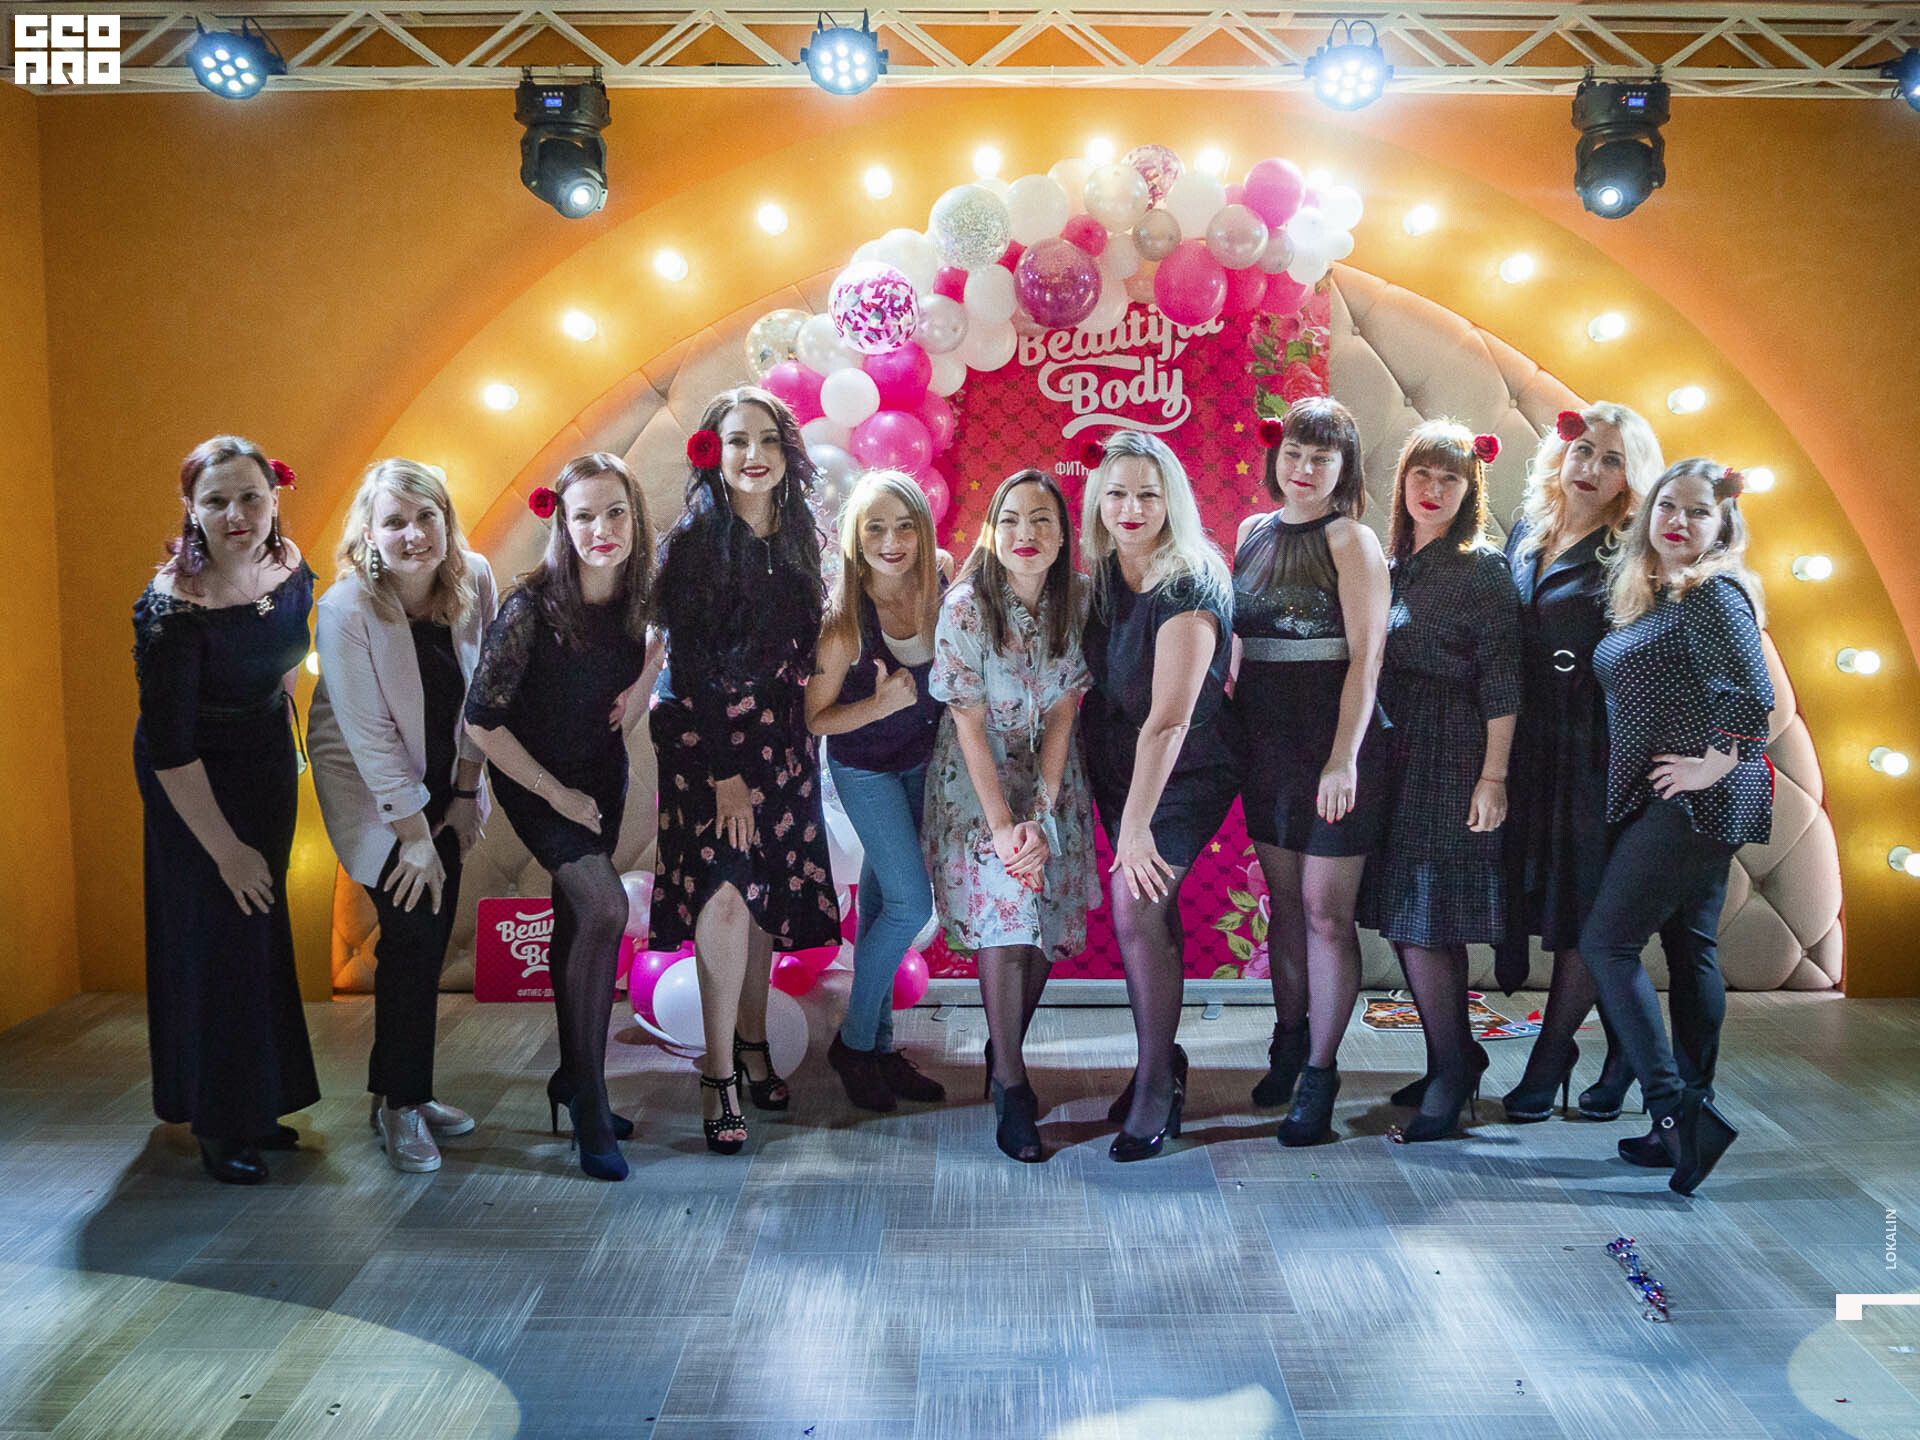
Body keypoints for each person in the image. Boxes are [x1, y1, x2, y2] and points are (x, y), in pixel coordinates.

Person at [649, 389, 842, 1154]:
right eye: (737, 441)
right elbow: (689, 666)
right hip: (709, 747)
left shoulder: (797, 537)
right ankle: (718, 1072)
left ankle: (754, 1040)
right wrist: (726, 773)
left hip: (782, 742)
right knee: (726, 896)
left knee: (765, 900)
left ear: (786, 452)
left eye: (767, 439)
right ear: (713, 452)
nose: (753, 454)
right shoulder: (695, 542)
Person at [132, 435, 318, 1184]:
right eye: (216, 501)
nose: (236, 514)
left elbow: (284, 662)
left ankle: (259, 1102)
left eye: (250, 497)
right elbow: (170, 749)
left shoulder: (290, 564)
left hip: (264, 761)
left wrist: (282, 737)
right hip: (192, 780)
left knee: (260, 932)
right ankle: (218, 1122)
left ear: (274, 498)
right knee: (217, 938)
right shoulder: (171, 607)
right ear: (191, 508)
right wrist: (227, 849)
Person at [464, 453, 653, 1181]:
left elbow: (663, 635)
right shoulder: (530, 609)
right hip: (535, 779)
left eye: (615, 512)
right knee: (605, 907)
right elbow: (482, 723)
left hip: (600, 771)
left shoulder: (639, 594)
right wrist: (555, 795)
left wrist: (641, 684)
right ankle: (591, 1102)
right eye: (585, 516)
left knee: (578, 919)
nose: (603, 529)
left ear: (635, 516)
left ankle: (573, 1081)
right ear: (563, 525)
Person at [1587, 458, 1772, 1194]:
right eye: (1669, 505)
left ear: (1722, 526)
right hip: (1691, 800)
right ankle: (1694, 1113)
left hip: (1696, 803)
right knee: (1691, 950)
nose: (1679, 521)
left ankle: (1673, 1114)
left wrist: (1707, 766)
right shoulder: (1659, 593)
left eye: (1699, 511)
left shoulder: (1710, 593)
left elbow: (1752, 696)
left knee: (1608, 945)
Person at [309, 459, 497, 1174]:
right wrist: (414, 835)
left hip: (444, 776)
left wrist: (466, 794)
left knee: (428, 931)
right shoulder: (345, 608)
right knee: (415, 933)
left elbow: (483, 694)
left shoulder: (474, 577)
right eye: (394, 522)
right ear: (369, 533)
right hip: (369, 787)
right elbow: (369, 737)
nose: (413, 534)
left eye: (426, 517)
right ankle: (400, 1105)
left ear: (446, 521)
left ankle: (399, 1090)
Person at [924, 468, 1099, 1163]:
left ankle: (1004, 1049)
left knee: (1043, 913)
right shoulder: (967, 606)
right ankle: (1013, 1085)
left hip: (1049, 772)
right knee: (1006, 907)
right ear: (992, 532)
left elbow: (1063, 711)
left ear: (1062, 534)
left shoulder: (1076, 600)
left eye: (1042, 519)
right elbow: (967, 722)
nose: (1026, 533)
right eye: (1011, 519)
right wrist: (1003, 828)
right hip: (978, 780)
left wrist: (1043, 812)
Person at [1496, 403, 1665, 1122]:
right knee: (1545, 901)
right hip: (1526, 745)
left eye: (1612, 459)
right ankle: (1623, 1048)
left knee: (1584, 911)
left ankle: (1551, 1055)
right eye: (1584, 450)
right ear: (1560, 455)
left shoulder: (1635, 551)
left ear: (1632, 478)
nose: (1592, 468)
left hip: (1595, 750)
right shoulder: (1526, 530)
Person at [1231, 398, 1390, 1147]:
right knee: (1286, 908)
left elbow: (1368, 658)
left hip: (1334, 749)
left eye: (1321, 458)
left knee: (1327, 914)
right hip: (1265, 747)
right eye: (1293, 453)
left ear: (1343, 468)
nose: (1303, 468)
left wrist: (1342, 757)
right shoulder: (1250, 532)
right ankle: (1288, 1044)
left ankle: (1321, 1075)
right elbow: (1239, 644)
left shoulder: (1351, 539)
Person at [1360, 422, 1523, 1142]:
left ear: (1470, 490)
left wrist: (1494, 776)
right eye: (1421, 474)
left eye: (1449, 478)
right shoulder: (1394, 561)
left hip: (1452, 752)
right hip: (1395, 752)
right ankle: (1449, 1057)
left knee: (1427, 920)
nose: (1432, 489)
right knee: (1406, 914)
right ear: (1402, 482)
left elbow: (1504, 680)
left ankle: (1455, 1069)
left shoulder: (1480, 569)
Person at [1078, 430, 1237, 1162]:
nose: (1131, 508)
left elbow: (1170, 720)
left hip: (1184, 772)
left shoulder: (1190, 585)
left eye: (1147, 493)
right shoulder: (1104, 575)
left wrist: (1137, 828)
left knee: (1136, 905)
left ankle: (1153, 1084)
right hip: (1120, 768)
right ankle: (1162, 1059)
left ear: (1171, 499)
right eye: (1116, 493)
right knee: (1153, 911)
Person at [806, 471, 952, 1113]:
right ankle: (855, 1043)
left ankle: (881, 1049)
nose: (891, 542)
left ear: (922, 532)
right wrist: (881, 704)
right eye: (875, 529)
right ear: (855, 539)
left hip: (922, 765)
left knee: (880, 906)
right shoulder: (843, 624)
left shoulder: (939, 588)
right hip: (865, 770)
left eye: (904, 527)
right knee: (912, 905)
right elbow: (816, 719)